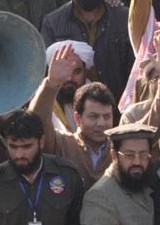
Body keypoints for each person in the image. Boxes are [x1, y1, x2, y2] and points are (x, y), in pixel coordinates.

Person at [41, 0, 133, 104]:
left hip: (118, 105)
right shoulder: (53, 22)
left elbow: (134, 68)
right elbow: (48, 72)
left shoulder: (122, 18)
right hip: (70, 107)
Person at [30, 44, 117, 186]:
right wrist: (52, 83)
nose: (101, 123)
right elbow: (36, 123)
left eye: (107, 116)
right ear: (78, 118)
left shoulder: (120, 148)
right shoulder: (63, 144)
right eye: (93, 116)